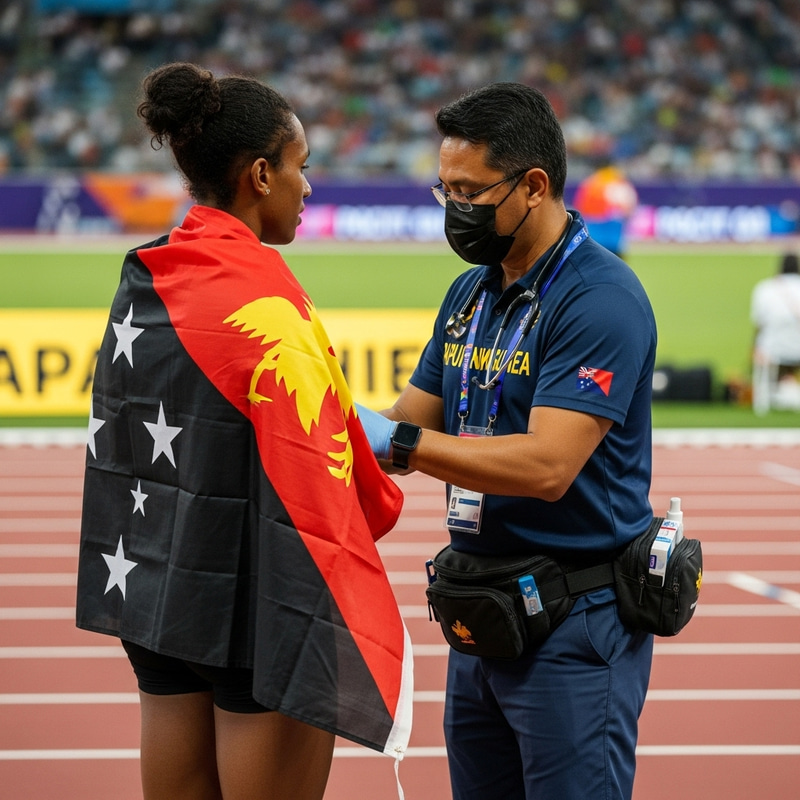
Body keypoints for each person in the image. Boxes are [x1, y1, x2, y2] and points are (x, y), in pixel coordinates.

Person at [76, 62, 412, 800]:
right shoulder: (267, 303)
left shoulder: (147, 277)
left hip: (159, 583)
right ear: (261, 174)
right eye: (303, 167)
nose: (308, 187)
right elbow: (321, 463)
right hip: (258, 599)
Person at [357, 82, 657, 799]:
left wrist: (398, 442)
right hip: (481, 615)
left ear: (533, 186)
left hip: (574, 627)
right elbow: (409, 420)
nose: (454, 209)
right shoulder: (470, 294)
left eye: (469, 191)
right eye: (444, 190)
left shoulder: (599, 297)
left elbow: (549, 465)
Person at [750, 251, 800, 414]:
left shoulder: (765, 289)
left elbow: (759, 324)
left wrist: (753, 347)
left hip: (772, 349)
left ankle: (762, 404)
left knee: (762, 345)